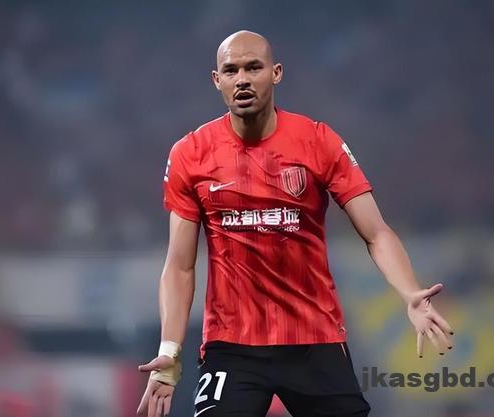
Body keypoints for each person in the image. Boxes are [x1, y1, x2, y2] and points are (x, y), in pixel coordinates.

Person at [136, 30, 454, 417]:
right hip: (232, 346)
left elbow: (376, 232)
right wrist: (169, 351)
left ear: (276, 73)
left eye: (253, 68)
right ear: (217, 80)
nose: (242, 79)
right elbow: (179, 265)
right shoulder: (191, 153)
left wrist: (409, 292)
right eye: (231, 70)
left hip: (314, 340)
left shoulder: (318, 142)